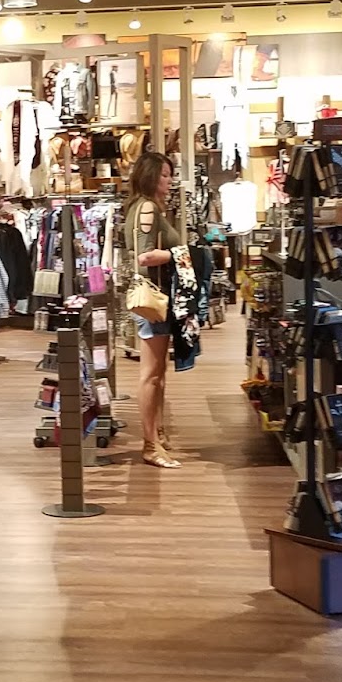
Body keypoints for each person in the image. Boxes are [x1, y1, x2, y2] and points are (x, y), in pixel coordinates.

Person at [126, 151, 183, 468]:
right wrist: (180, 253)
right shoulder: (147, 208)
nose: (169, 181)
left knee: (158, 373)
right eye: (164, 175)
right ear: (150, 176)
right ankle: (150, 444)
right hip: (153, 299)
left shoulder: (145, 207)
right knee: (151, 375)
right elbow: (144, 257)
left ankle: (157, 435)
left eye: (170, 175)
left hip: (156, 298)